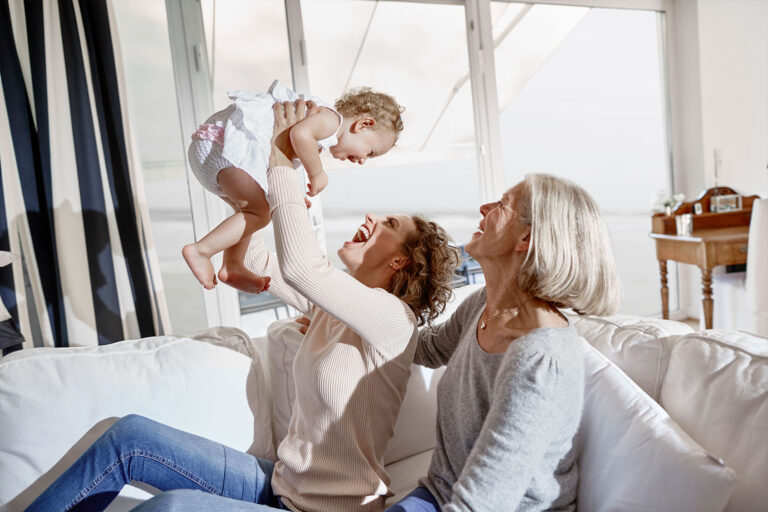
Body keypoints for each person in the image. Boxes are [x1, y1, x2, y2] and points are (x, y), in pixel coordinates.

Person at [25, 99, 460, 512]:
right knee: (129, 438)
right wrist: (252, 198)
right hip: (280, 486)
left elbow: (304, 268)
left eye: (388, 224)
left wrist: (279, 159)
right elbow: (255, 262)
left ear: (402, 260)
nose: (370, 217)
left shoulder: (392, 321)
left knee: (170, 508)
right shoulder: (337, 307)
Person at [385, 174, 622, 512]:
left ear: (526, 237)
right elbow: (428, 347)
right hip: (439, 494)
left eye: (501, 205)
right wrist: (352, 322)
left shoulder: (541, 359)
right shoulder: (484, 305)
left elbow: (482, 505)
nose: (484, 208)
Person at [182, 80, 404, 294]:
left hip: (213, 149)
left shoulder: (320, 134)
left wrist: (294, 193)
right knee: (258, 213)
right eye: (371, 152)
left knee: (250, 212)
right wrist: (317, 173)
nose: (363, 160)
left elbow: (284, 153)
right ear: (364, 124)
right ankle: (201, 250)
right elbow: (299, 135)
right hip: (223, 146)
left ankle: (233, 266)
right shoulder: (330, 120)